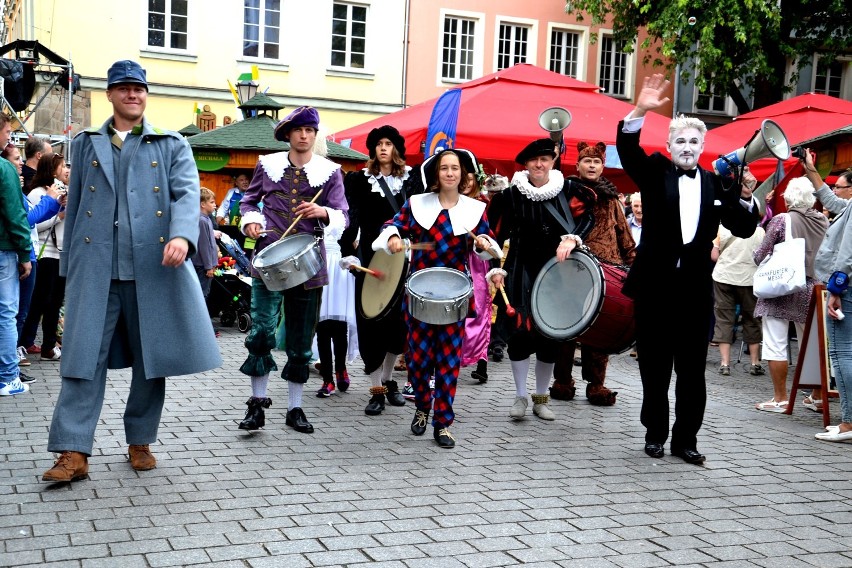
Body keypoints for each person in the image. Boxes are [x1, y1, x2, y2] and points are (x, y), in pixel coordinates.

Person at [41, 60, 222, 483]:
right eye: (124, 88)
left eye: (139, 88)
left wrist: (181, 236)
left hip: (153, 268)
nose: (133, 95)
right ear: (110, 94)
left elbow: (185, 193)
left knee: (150, 360)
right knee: (81, 359)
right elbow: (79, 209)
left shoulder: (171, 143)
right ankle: (73, 451)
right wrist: (70, 267)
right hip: (96, 269)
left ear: (145, 94)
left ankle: (140, 440)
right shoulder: (86, 143)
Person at [616, 73, 760, 464]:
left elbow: (745, 226)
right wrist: (641, 108)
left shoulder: (716, 184)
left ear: (703, 146)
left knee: (693, 373)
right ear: (668, 145)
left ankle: (686, 441)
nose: (687, 146)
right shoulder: (655, 172)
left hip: (696, 291)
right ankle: (655, 434)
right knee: (655, 368)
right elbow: (627, 149)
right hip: (655, 287)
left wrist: (748, 194)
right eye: (680, 140)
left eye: (694, 140)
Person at [373, 148, 499, 448]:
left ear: (463, 174)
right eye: (445, 168)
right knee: (418, 359)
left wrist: (483, 244)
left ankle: (442, 423)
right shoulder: (417, 204)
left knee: (448, 361)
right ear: (436, 173)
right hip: (419, 292)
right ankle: (421, 406)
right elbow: (391, 226)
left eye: (455, 168)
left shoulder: (474, 210)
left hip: (455, 294)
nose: (450, 173)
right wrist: (392, 237)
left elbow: (489, 246)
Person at [237, 106, 348, 434]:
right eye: (298, 130)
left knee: (301, 341)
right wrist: (252, 221)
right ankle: (256, 406)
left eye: (310, 131)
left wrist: (323, 211)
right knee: (261, 333)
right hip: (268, 261)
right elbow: (248, 202)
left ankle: (295, 408)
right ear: (288, 134)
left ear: (316, 135)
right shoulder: (267, 165)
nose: (304, 135)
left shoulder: (330, 172)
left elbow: (343, 214)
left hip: (308, 265)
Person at [487, 138, 595, 421]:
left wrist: (572, 238)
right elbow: (493, 235)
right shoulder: (511, 196)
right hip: (520, 270)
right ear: (526, 164)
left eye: (545, 159)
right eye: (534, 160)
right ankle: (521, 396)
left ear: (553, 161)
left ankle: (541, 398)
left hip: (558, 274)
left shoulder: (570, 190)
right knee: (520, 337)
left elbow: (589, 216)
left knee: (550, 338)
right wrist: (494, 266)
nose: (539, 164)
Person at [549, 141, 636, 405]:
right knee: (566, 327)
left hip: (608, 269)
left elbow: (622, 231)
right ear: (578, 165)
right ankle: (563, 380)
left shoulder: (611, 197)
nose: (592, 165)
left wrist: (632, 259)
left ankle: (596, 384)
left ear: (602, 166)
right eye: (587, 161)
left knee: (601, 328)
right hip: (574, 269)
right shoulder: (568, 193)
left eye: (596, 162)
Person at [339, 125, 409, 414]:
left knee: (397, 326)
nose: (383, 148)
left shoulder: (410, 180)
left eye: (388, 143)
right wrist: (348, 253)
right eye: (379, 143)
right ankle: (376, 389)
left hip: (402, 261)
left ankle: (389, 379)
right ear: (373, 149)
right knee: (370, 321)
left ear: (396, 149)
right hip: (369, 259)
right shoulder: (358, 180)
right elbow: (350, 219)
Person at [752, 178, 827, 413]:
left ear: (788, 198)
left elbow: (760, 254)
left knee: (776, 343)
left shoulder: (782, 220)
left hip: (783, 286)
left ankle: (780, 398)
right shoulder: (823, 220)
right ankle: (817, 397)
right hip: (813, 287)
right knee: (813, 344)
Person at [806, 157, 852, 440]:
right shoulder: (847, 207)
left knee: (842, 352)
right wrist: (811, 171)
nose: (836, 191)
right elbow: (834, 203)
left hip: (847, 288)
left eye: (841, 186)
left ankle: (848, 422)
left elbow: (847, 253)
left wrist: (836, 288)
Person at [18, 153, 66, 367]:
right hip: (45, 254)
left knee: (53, 302)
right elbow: (33, 224)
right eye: (61, 166)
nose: (65, 170)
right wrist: (60, 214)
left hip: (61, 252)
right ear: (51, 169)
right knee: (38, 302)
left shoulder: (63, 191)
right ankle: (27, 343)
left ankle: (47, 345)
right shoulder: (38, 193)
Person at [0, 119, 34, 396]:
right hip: (4, 249)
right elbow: (15, 214)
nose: (10, 138)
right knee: (6, 313)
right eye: (8, 132)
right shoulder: (4, 169)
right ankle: (8, 377)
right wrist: (25, 253)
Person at [711, 223, 765, 377]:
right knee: (752, 319)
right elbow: (764, 256)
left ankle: (725, 364)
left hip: (724, 277)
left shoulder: (721, 229)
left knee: (724, 320)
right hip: (749, 279)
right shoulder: (760, 231)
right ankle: (755, 363)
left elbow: (714, 255)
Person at [460, 156, 492, 383]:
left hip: (477, 262)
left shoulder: (482, 205)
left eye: (473, 180)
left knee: (481, 308)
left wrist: (483, 242)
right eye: (466, 179)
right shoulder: (452, 203)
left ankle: (482, 360)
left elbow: (489, 236)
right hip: (457, 259)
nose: (469, 183)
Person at [192, 188, 218, 300]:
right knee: (202, 295)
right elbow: (204, 246)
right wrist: (208, 266)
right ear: (202, 204)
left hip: (207, 265)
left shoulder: (207, 219)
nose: (215, 205)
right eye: (211, 202)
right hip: (202, 266)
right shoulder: (201, 221)